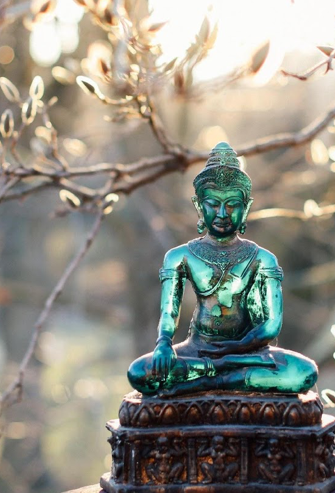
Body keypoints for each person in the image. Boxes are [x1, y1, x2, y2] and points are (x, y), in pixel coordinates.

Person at [127, 142, 318, 396]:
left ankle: (207, 380)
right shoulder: (179, 257)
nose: (222, 213)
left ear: (246, 207)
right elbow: (169, 310)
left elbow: (272, 325)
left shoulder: (263, 259)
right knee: (140, 372)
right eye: (213, 203)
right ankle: (224, 375)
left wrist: (235, 349)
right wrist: (163, 344)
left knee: (304, 372)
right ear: (198, 206)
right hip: (197, 350)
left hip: (247, 354)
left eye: (231, 204)